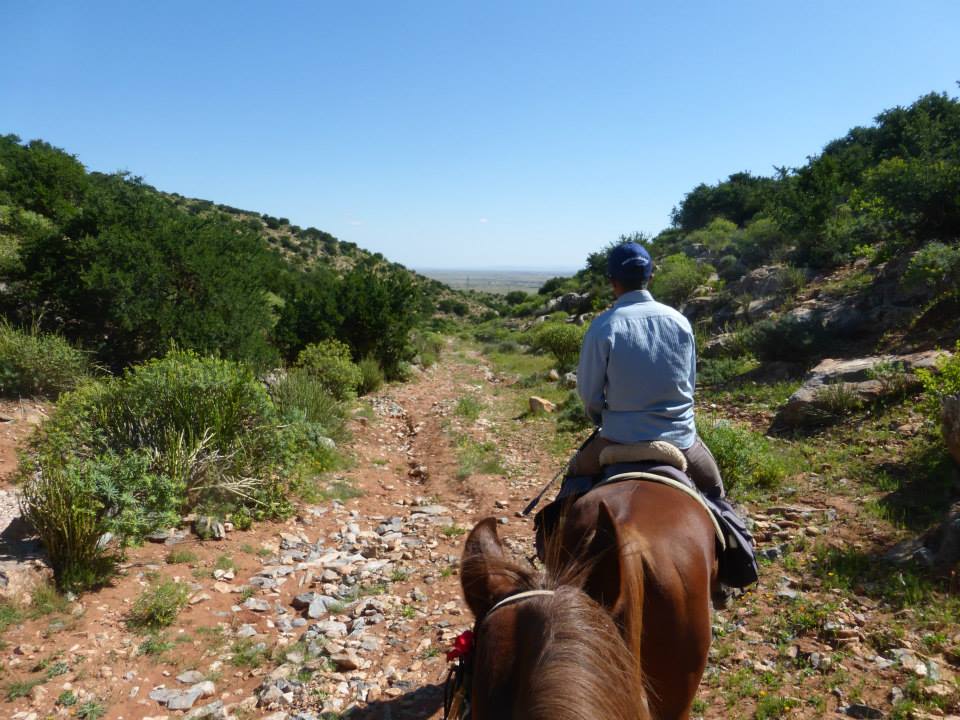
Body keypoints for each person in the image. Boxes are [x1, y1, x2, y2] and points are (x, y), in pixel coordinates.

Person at [565, 241, 757, 592]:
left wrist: (601, 419)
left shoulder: (603, 326)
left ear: (613, 281)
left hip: (617, 439)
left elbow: (589, 393)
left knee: (573, 484)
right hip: (680, 441)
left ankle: (557, 564)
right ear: (650, 276)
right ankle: (731, 572)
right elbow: (689, 383)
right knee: (714, 492)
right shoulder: (679, 321)